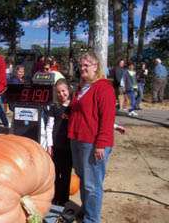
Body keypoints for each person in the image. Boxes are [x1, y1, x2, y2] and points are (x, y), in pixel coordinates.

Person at [68, 51, 116, 223]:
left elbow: (108, 118)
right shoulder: (82, 87)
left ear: (96, 67)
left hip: (93, 142)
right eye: (81, 65)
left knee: (92, 184)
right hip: (79, 139)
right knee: (83, 180)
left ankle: (92, 219)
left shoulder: (104, 88)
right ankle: (86, 210)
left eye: (86, 65)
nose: (83, 68)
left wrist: (101, 144)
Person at [45, 79, 72, 207]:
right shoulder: (54, 107)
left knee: (66, 174)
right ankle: (55, 198)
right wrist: (49, 145)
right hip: (56, 146)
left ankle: (64, 200)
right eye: (59, 92)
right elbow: (49, 127)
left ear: (68, 90)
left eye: (64, 91)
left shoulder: (74, 106)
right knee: (55, 173)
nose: (61, 94)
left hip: (70, 147)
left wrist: (114, 126)